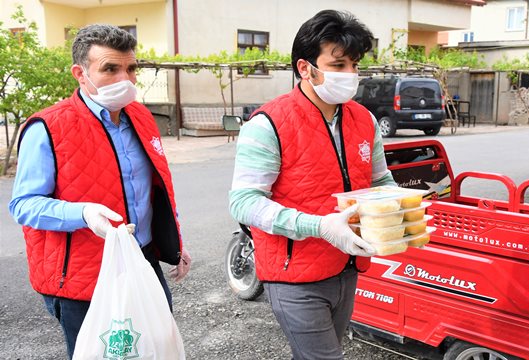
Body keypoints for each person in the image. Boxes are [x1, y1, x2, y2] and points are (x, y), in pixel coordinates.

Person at [8, 24, 191, 359]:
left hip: (142, 260)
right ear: (80, 73)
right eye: (110, 68)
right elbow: (23, 205)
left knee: (155, 348)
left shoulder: (141, 117)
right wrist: (82, 213)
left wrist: (174, 241)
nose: (126, 78)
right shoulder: (49, 126)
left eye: (131, 68)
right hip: (84, 276)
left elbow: (156, 188)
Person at [229, 10, 396, 359]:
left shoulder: (363, 119)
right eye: (338, 65)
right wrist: (318, 225)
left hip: (346, 265)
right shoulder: (269, 123)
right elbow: (244, 202)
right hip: (294, 275)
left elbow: (381, 181)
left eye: (354, 64)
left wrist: (401, 208)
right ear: (305, 68)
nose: (350, 74)